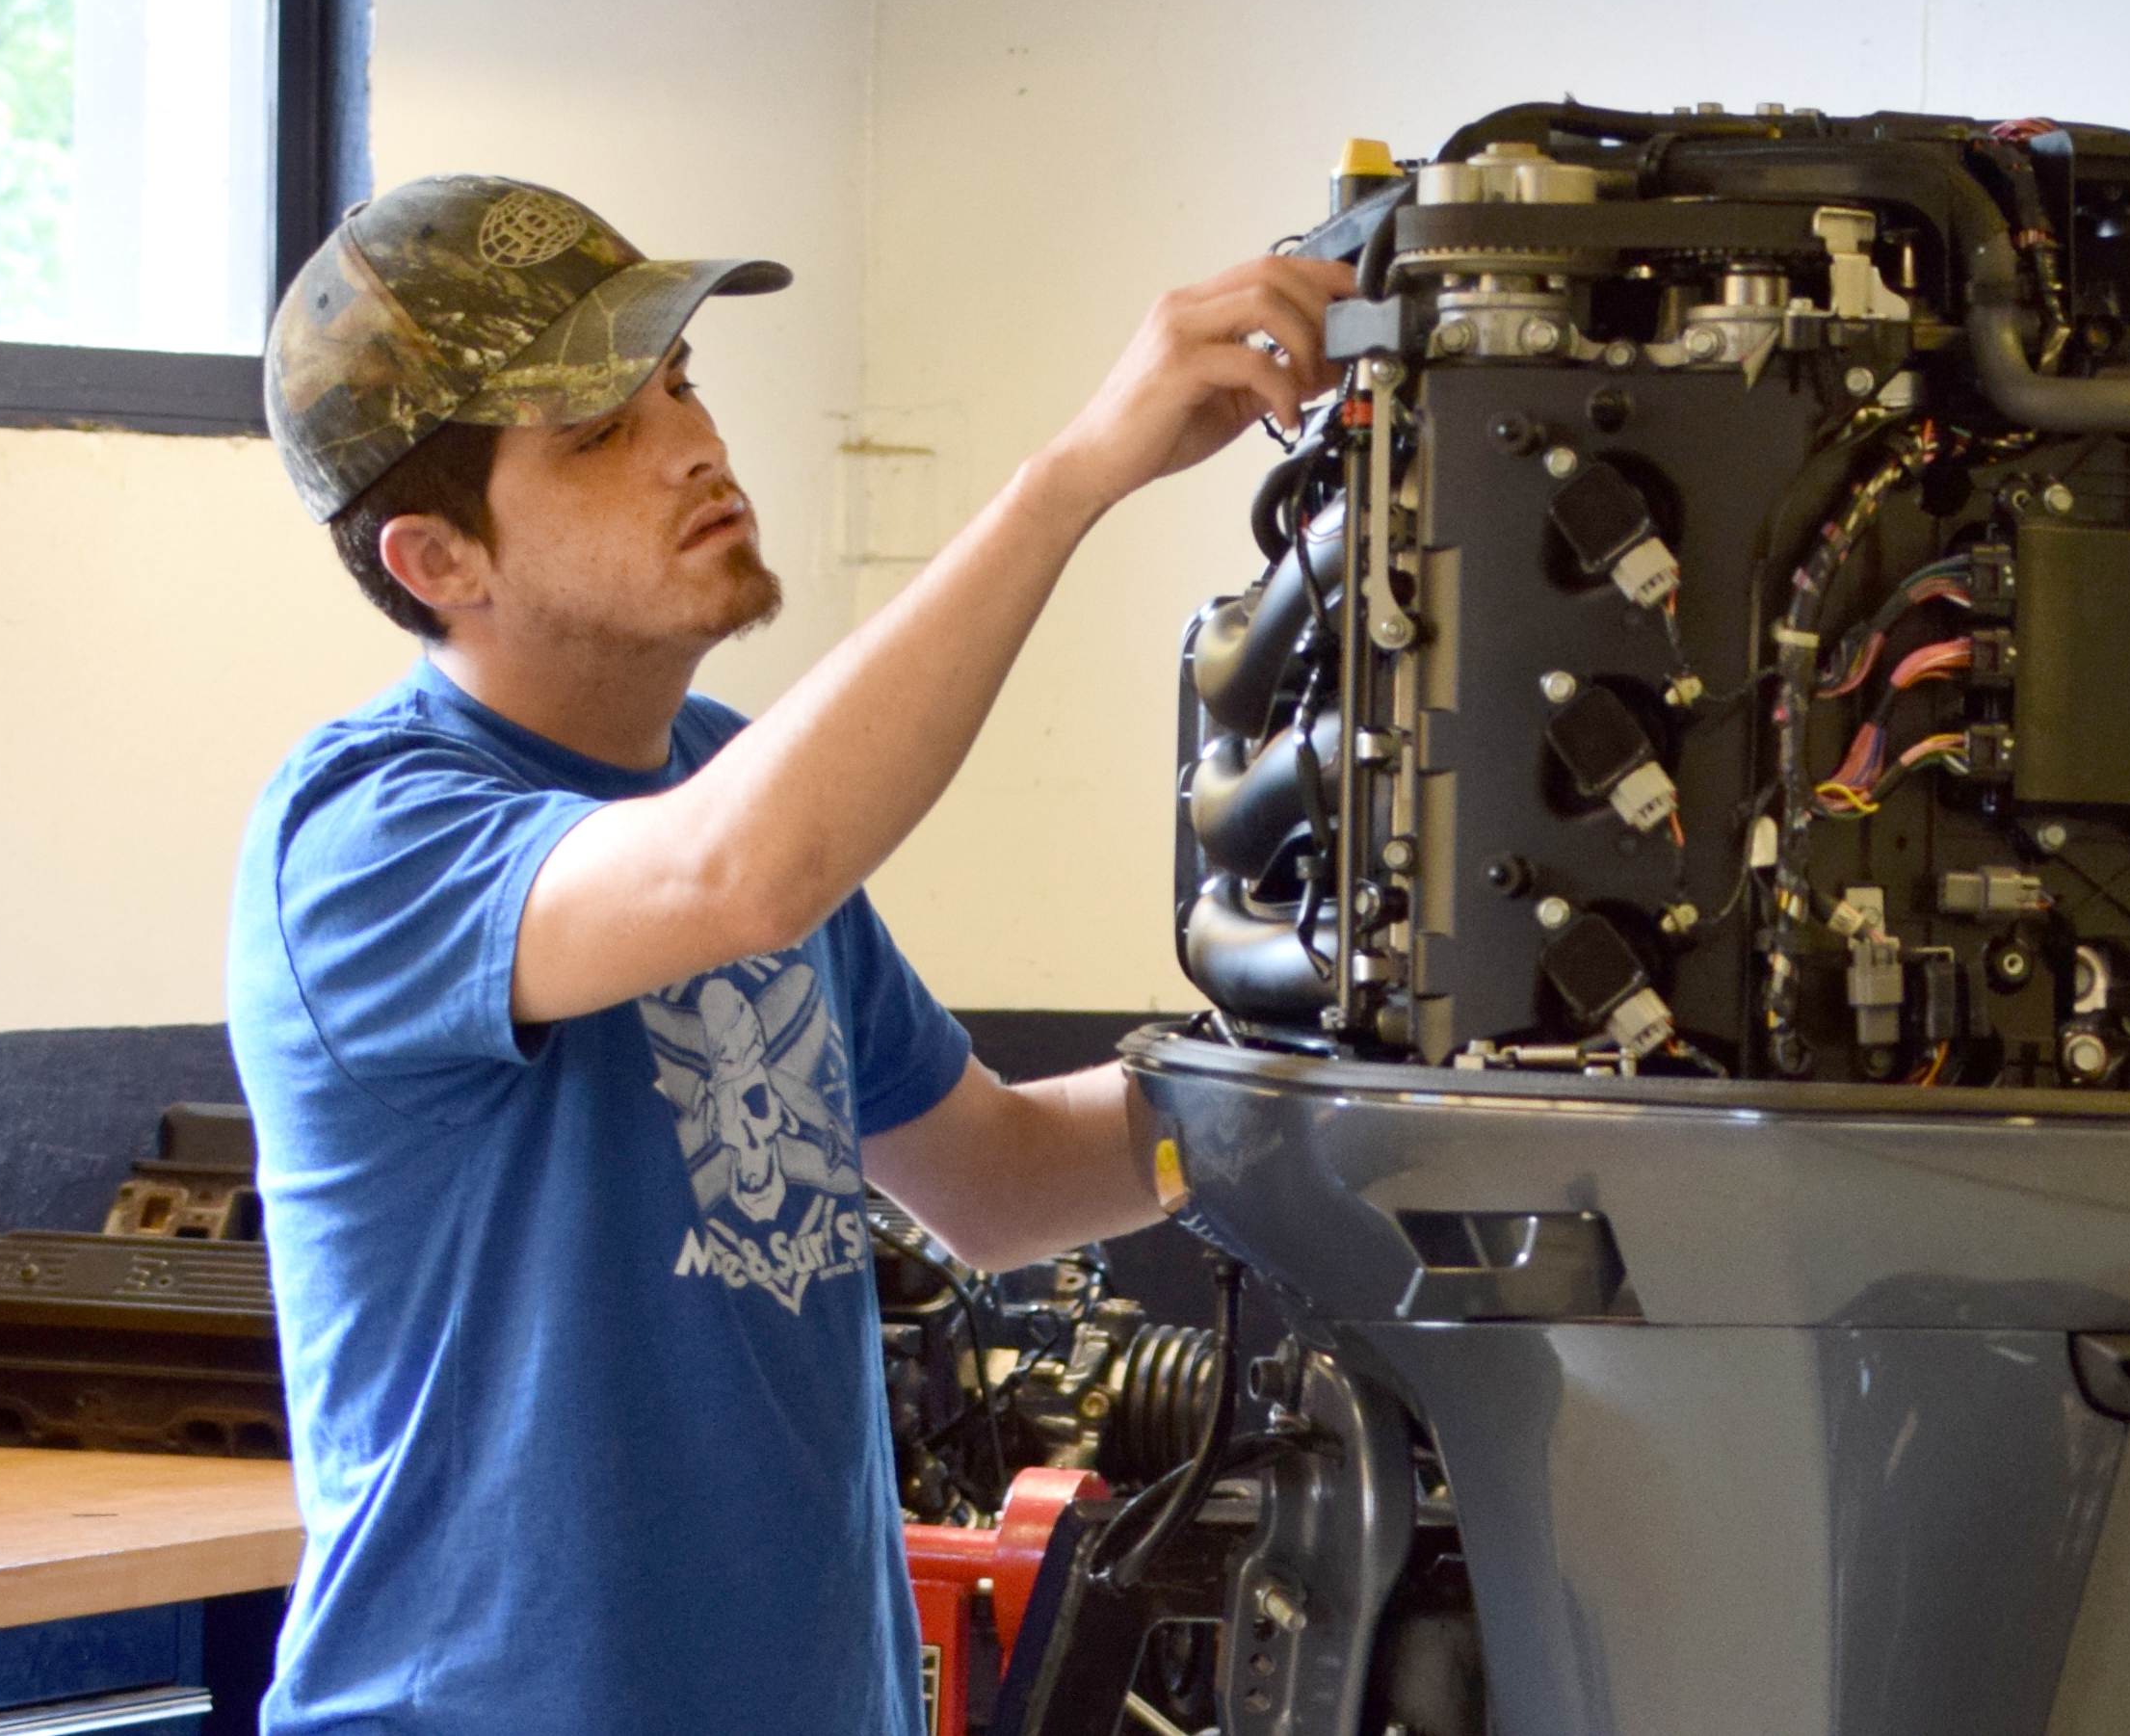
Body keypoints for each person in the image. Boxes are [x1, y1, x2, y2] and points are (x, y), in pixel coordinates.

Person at [229, 172, 1352, 1735]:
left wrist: (1334, 1081)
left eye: (680, 381)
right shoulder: (364, 838)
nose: (694, 442)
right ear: (438, 561)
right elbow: (744, 871)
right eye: (600, 432)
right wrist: (1072, 477)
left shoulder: (720, 774)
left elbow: (997, 1180)